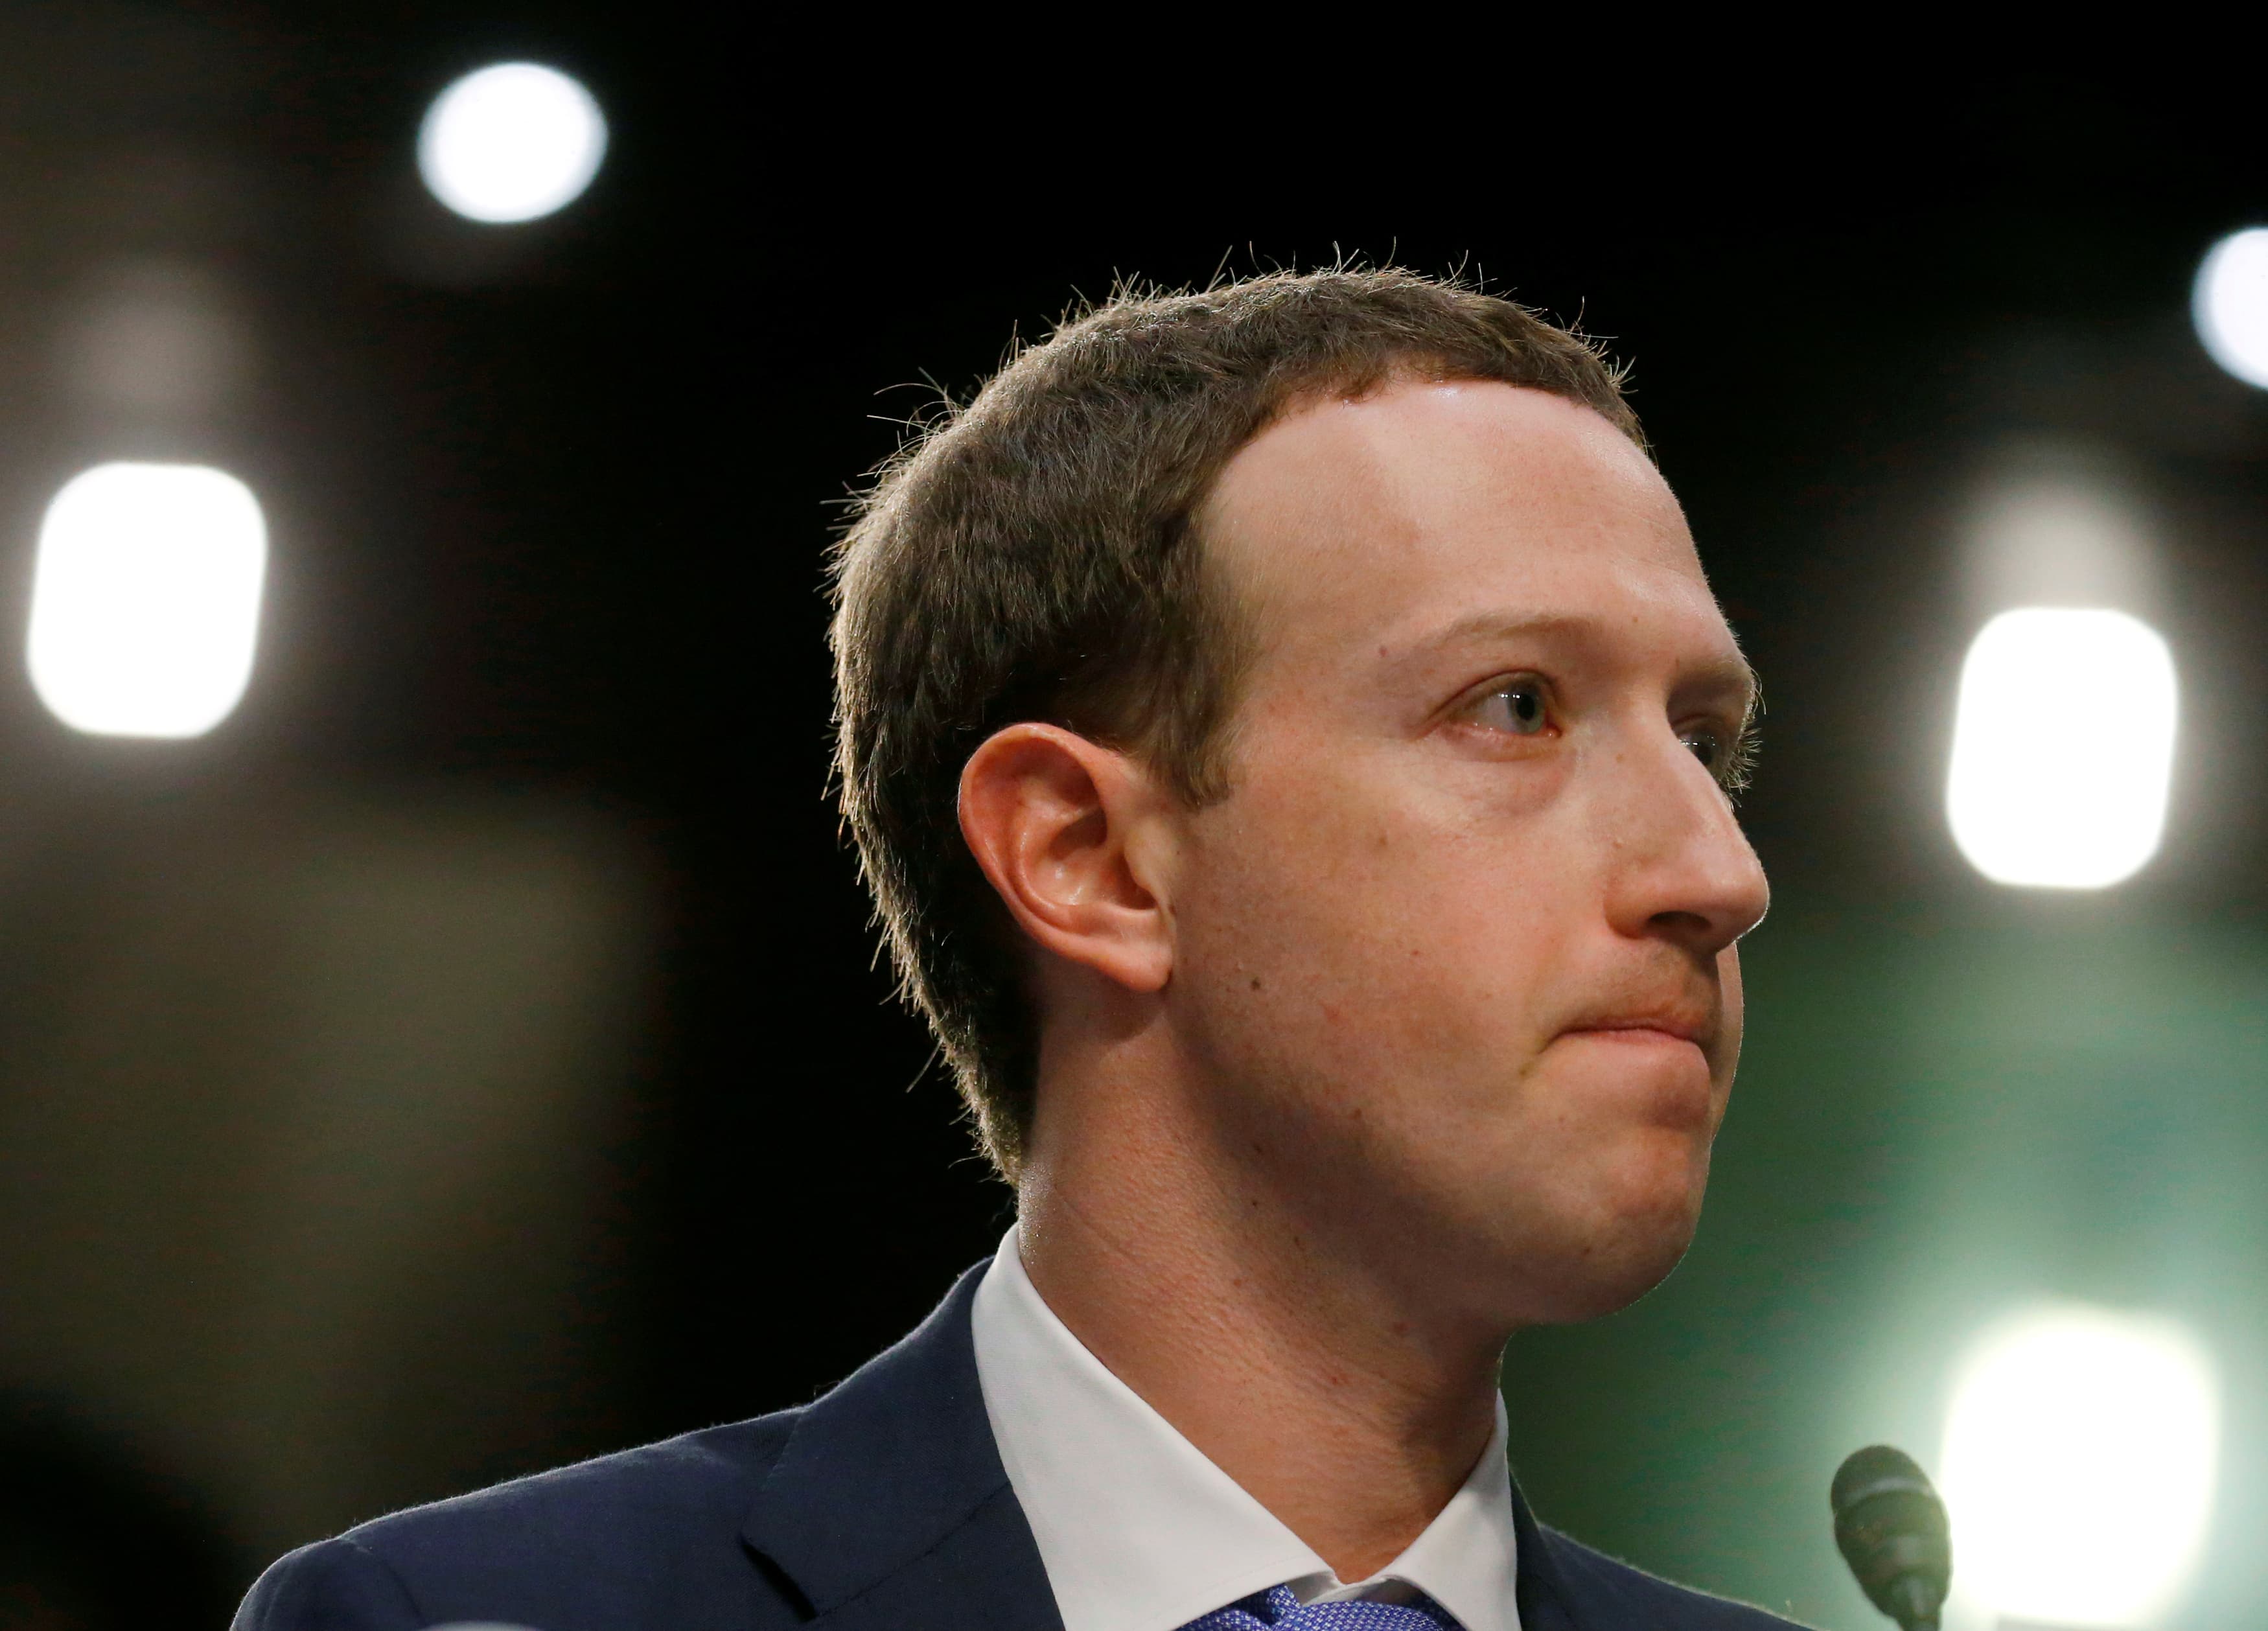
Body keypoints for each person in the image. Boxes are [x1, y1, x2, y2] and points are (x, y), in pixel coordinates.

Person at [236, 268, 1787, 1630]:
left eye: (1708, 742)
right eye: (1514, 705)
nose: (1718, 871)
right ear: (1087, 856)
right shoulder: (480, 1618)